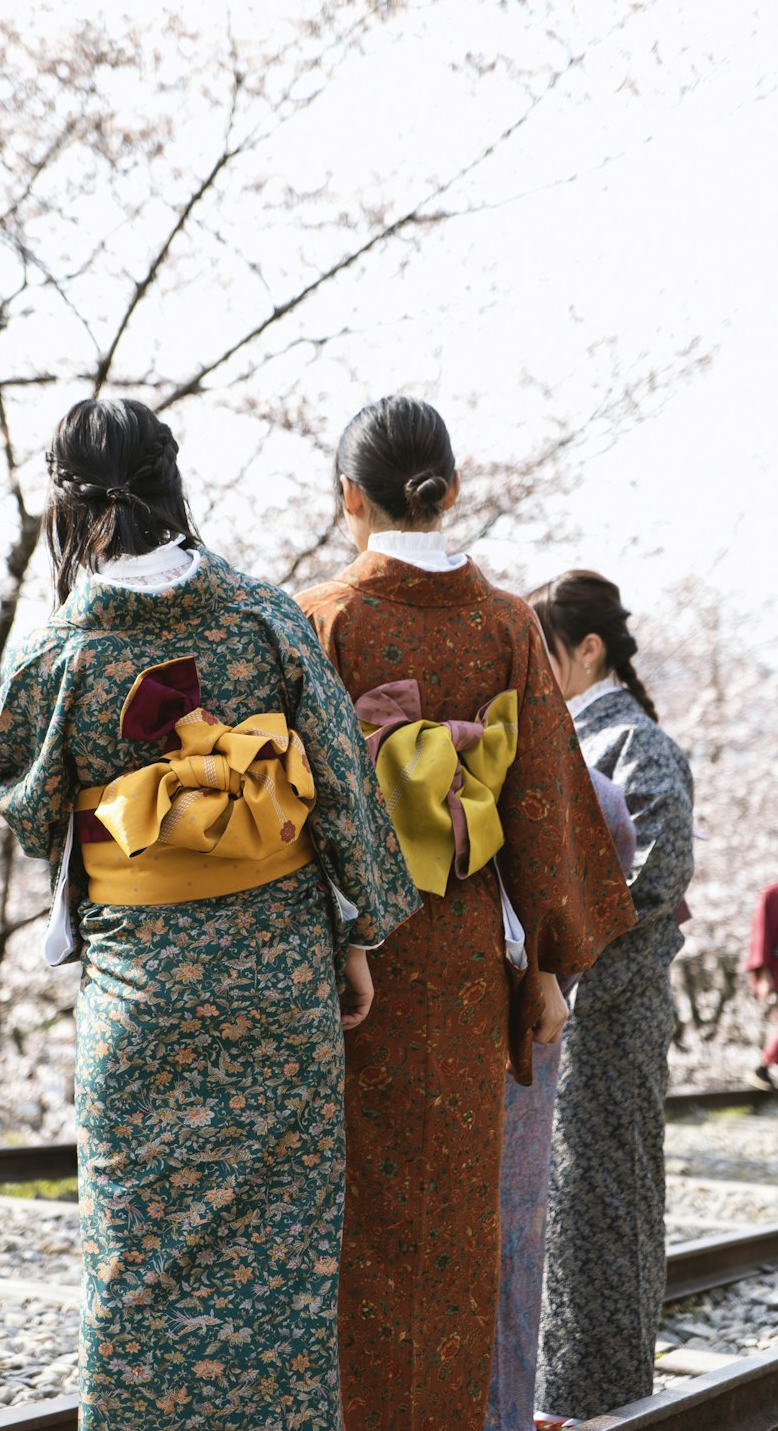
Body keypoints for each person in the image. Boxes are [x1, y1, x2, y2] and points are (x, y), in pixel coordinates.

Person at [0, 398, 420, 1431]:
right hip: (278, 983)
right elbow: (344, 792)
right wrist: (355, 934)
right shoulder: (263, 617)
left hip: (146, 1001)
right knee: (283, 1278)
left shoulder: (59, 653)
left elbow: (24, 798)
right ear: (175, 482)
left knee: (137, 1272)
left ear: (64, 505)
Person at [295, 396, 635, 1431]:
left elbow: (294, 800)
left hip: (347, 964)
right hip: (461, 956)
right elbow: (535, 797)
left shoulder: (324, 618)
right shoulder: (504, 623)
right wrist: (543, 974)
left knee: (350, 1225)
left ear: (348, 497)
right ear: (453, 483)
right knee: (451, 1226)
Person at [532, 570, 695, 1425]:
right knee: (557, 1203)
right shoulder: (560, 735)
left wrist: (560, 975)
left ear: (587, 648)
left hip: (606, 1013)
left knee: (604, 1200)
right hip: (558, 1003)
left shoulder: (637, 745)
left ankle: (604, 1397)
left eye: (547, 645)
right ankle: (552, 1393)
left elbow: (650, 881)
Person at [485, 767, 636, 1431]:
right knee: (509, 1234)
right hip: (521, 1012)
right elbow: (608, 825)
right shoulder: (564, 775)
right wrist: (553, 970)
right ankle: (502, 1414)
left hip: (379, 1010)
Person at [746, 882, 778, 1090]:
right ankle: (763, 1066)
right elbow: (762, 934)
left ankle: (763, 1067)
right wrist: (764, 974)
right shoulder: (773, 894)